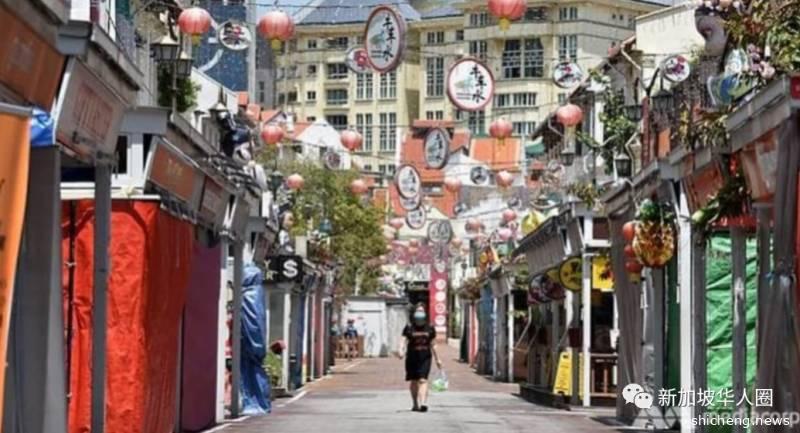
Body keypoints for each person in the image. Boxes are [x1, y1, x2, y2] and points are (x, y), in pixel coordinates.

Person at [397, 304, 442, 412]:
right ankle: (415, 403)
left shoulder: (430, 327)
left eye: (422, 311)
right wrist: (400, 350)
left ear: (425, 313)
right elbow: (403, 339)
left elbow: (433, 344)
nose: (419, 313)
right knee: (414, 381)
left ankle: (423, 403)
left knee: (423, 380)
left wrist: (438, 359)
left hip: (425, 357)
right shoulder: (409, 327)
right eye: (418, 311)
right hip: (412, 357)